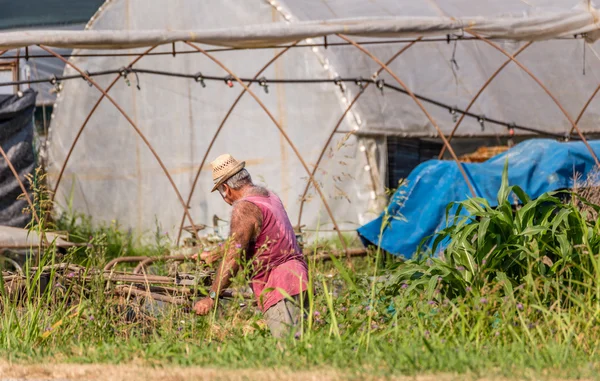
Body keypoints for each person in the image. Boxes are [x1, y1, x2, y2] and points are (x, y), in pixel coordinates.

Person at [192, 153, 308, 338]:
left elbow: (233, 256)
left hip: (279, 285)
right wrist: (214, 254)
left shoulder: (244, 208)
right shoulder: (269, 197)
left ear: (226, 189)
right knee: (302, 345)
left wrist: (212, 297)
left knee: (288, 350)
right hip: (298, 278)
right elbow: (246, 239)